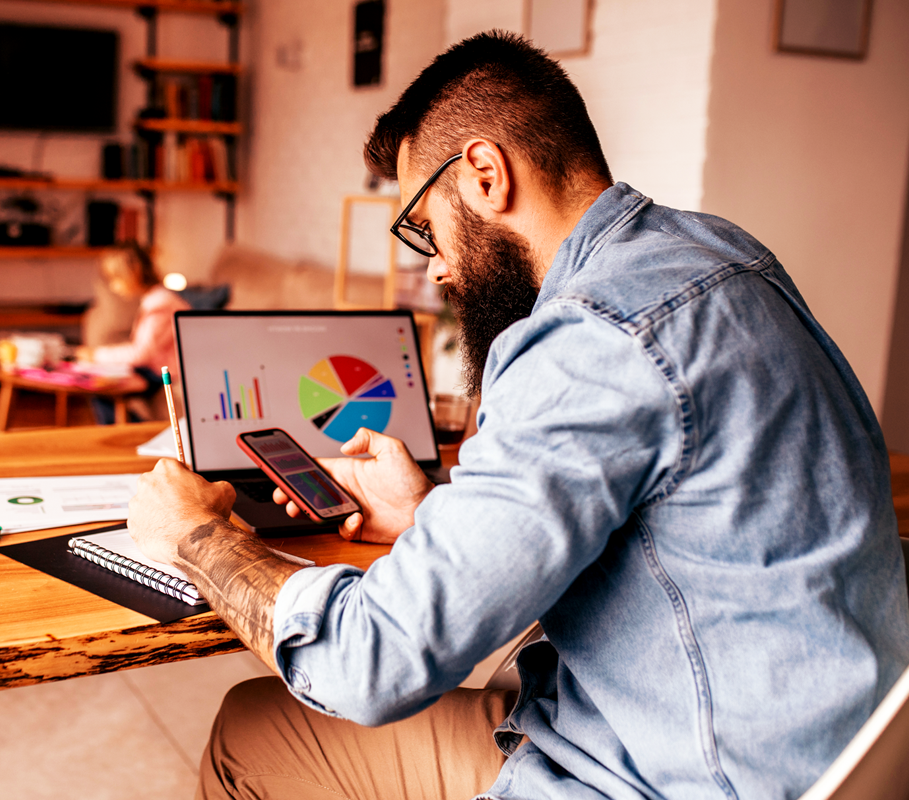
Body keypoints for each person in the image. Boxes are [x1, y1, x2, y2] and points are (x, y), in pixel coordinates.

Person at [127, 31, 909, 800]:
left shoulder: (591, 336)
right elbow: (677, 519)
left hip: (666, 774)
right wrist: (431, 513)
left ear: (484, 174)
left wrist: (198, 536)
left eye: (424, 228)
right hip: (813, 754)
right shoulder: (724, 258)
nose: (434, 265)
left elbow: (371, 662)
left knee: (252, 733)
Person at [76, 242, 189, 424]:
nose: (113, 287)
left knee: (100, 384)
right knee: (98, 379)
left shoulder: (160, 305)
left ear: (133, 274)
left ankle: (125, 430)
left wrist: (96, 355)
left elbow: (142, 353)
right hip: (153, 367)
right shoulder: (154, 300)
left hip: (164, 372)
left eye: (116, 279)